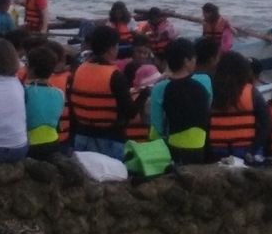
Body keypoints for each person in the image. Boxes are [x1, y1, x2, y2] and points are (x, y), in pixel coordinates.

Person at [68, 25, 136, 160]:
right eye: (116, 46)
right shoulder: (116, 76)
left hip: (82, 136)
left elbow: (72, 106)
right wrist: (145, 93)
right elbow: (131, 112)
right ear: (111, 48)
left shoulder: (79, 70)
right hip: (110, 139)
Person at [149, 37, 211, 165]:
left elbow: (156, 128)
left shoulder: (159, 88)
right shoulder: (205, 81)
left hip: (173, 147)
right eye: (194, 58)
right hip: (201, 146)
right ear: (186, 61)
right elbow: (206, 110)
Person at [207, 50, 270, 162]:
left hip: (217, 152)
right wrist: (252, 150)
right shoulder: (252, 93)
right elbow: (266, 125)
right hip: (245, 152)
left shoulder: (211, 91)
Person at [23, 46, 66, 159]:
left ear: (31, 69)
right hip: (53, 143)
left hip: (29, 146)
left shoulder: (23, 91)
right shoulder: (59, 93)